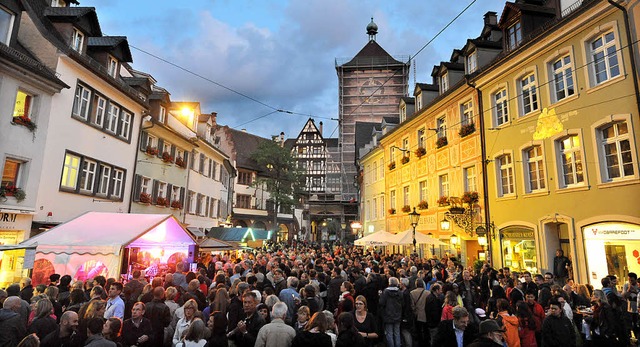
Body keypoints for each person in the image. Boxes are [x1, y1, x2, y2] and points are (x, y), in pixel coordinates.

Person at [380, 277, 403, 347]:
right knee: (397, 333)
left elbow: (381, 303)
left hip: (388, 314)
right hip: (398, 315)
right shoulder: (399, 292)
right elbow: (402, 303)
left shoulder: (385, 292)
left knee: (389, 333)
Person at [623, 272, 640, 341]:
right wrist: (628, 291)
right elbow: (624, 297)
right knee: (631, 325)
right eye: (629, 280)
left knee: (637, 325)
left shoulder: (638, 285)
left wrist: (635, 291)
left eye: (632, 280)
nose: (630, 281)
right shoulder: (626, 285)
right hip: (630, 309)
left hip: (637, 309)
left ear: (635, 280)